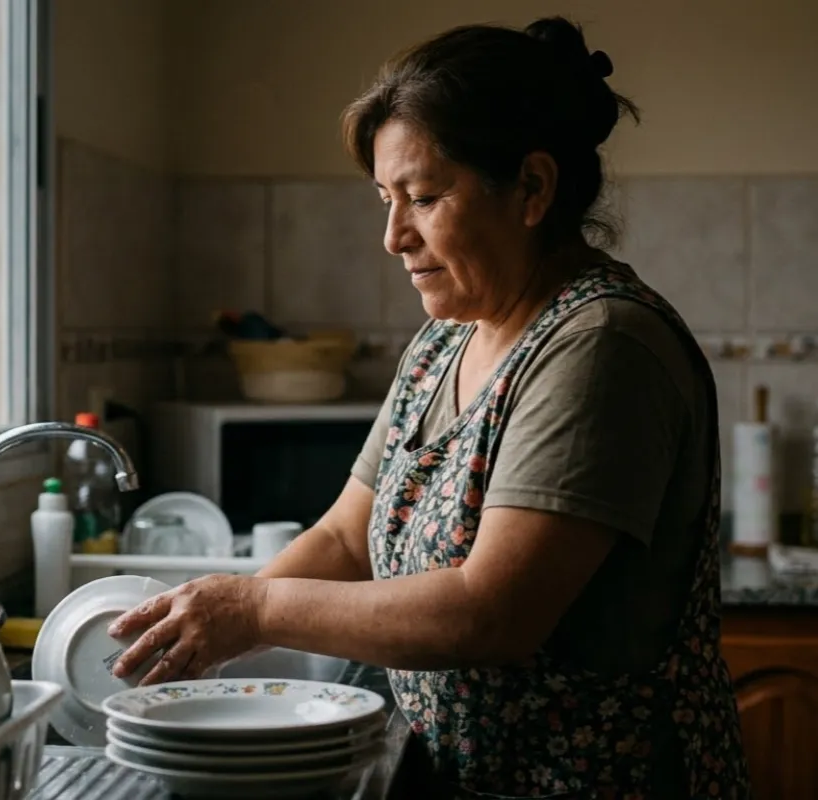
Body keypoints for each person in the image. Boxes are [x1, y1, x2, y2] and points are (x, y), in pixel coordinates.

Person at [109, 16, 751, 799]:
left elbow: (491, 614)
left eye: (424, 196)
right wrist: (202, 636)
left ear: (533, 189)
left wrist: (255, 607)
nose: (392, 236)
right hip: (466, 776)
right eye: (385, 198)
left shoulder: (602, 345)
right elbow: (348, 536)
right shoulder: (445, 341)